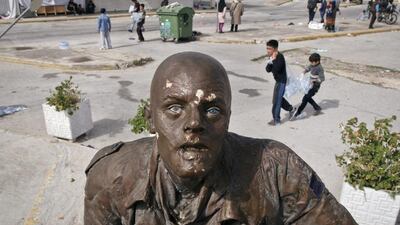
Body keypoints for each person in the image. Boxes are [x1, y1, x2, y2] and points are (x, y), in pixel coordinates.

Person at [84, 52, 358, 225]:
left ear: (228, 117)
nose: (194, 123)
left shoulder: (278, 170)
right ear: (151, 118)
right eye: (174, 108)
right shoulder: (111, 176)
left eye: (212, 110)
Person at [265, 40, 296, 126]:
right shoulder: (272, 57)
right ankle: (291, 109)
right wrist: (271, 60)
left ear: (275, 49)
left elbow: (276, 70)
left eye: (269, 49)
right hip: (278, 81)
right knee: (277, 99)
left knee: (277, 101)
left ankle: (277, 120)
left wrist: (273, 60)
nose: (268, 50)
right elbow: (268, 70)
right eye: (267, 48)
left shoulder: (280, 57)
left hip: (282, 81)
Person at [291, 53, 324, 120]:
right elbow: (308, 68)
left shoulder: (320, 68)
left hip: (315, 86)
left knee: (305, 98)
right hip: (310, 85)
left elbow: (322, 78)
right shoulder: (312, 64)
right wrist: (304, 72)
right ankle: (317, 108)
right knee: (307, 97)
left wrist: (314, 80)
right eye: (310, 62)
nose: (311, 63)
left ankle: (298, 111)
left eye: (312, 62)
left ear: (317, 61)